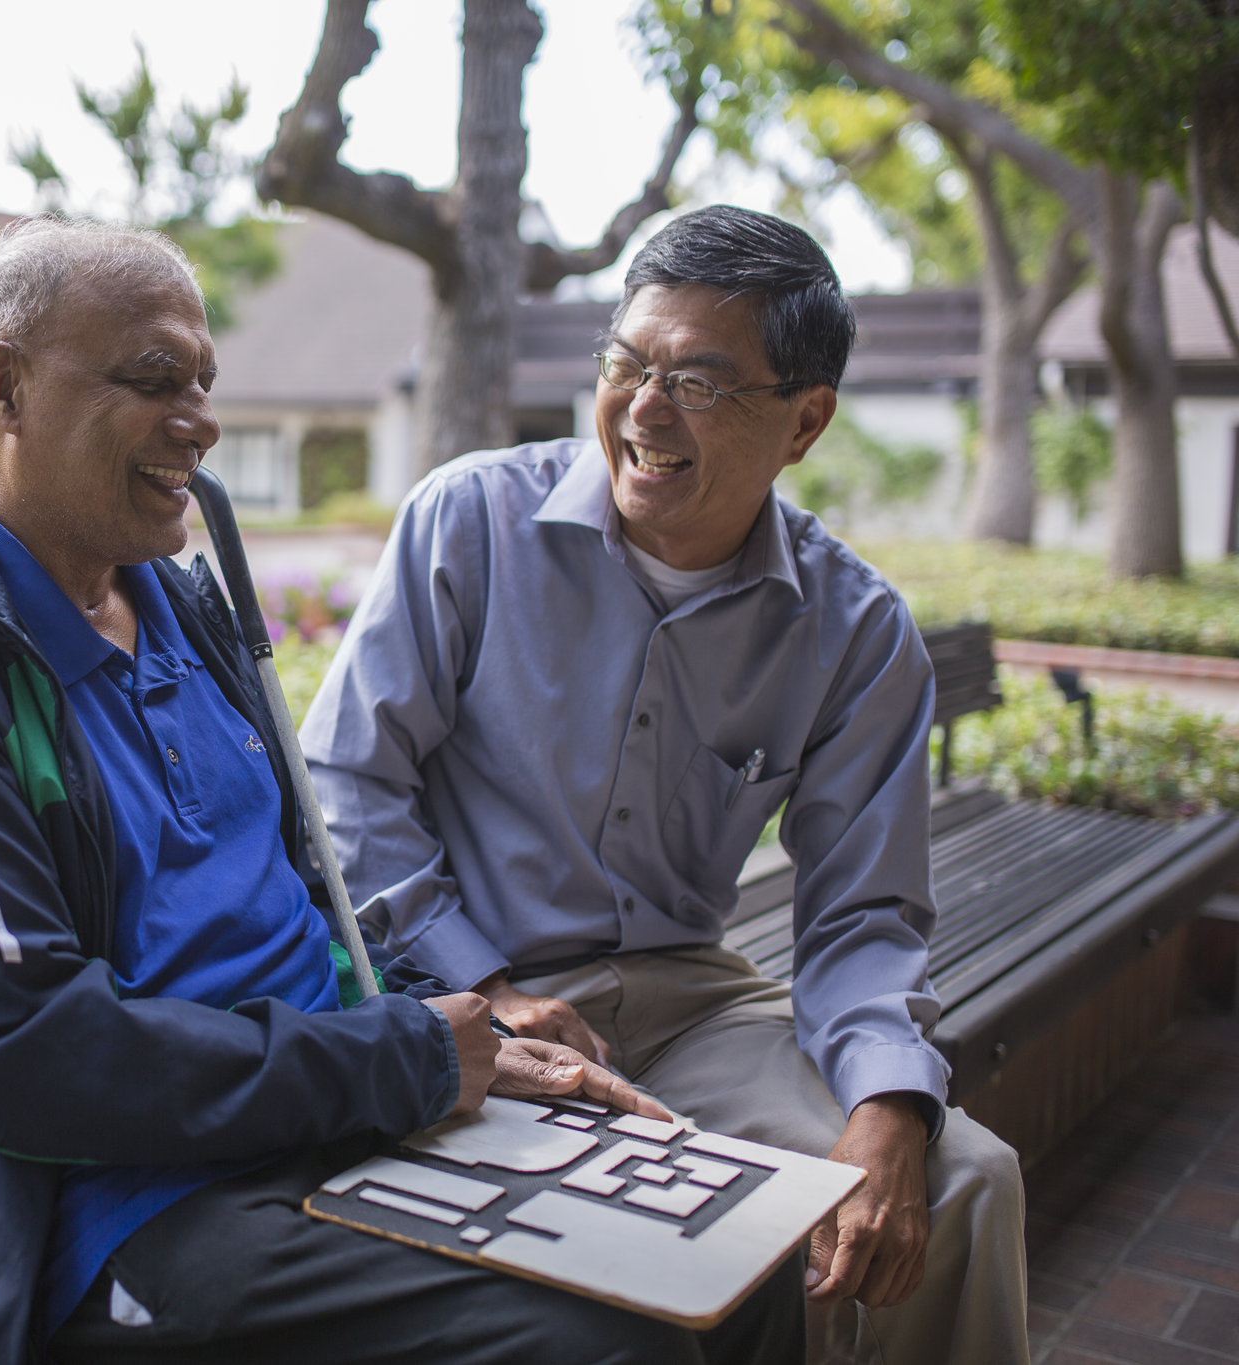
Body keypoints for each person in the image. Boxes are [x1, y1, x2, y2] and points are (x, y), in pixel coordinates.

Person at [0, 216, 806, 1365]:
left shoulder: (178, 610)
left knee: (742, 1269)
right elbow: (20, 1055)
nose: (201, 421)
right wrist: (402, 1060)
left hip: (319, 1119)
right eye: (155, 378)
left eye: (205, 383)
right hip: (90, 1209)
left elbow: (301, 890)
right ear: (2, 389)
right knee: (615, 1346)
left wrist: (456, 1011)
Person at [302, 204, 1028, 1365]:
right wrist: (479, 980)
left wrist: (890, 1105)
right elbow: (346, 779)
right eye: (627, 364)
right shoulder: (470, 522)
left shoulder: (851, 629)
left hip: (690, 999)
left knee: (962, 1186)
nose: (642, 409)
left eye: (697, 382)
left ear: (804, 421)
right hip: (467, 990)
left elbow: (861, 912)